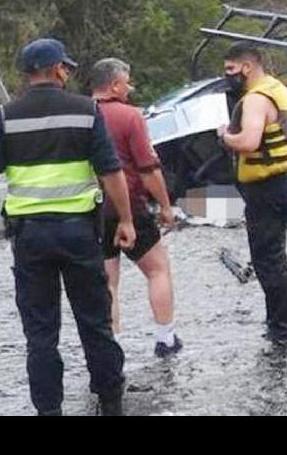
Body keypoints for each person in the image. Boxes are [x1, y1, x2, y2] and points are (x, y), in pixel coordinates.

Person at [0, 38, 136, 416]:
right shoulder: (87, 111)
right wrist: (125, 219)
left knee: (40, 333)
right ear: (58, 69)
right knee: (95, 321)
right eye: (66, 67)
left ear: (28, 74)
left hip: (30, 238)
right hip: (79, 234)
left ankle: (49, 410)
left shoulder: (5, 117)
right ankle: (110, 401)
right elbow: (111, 173)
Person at [90, 58, 182, 357]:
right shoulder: (130, 117)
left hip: (91, 208)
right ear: (115, 85)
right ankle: (165, 339)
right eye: (127, 82)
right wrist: (166, 206)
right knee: (158, 270)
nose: (129, 88)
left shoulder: (80, 115)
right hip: (129, 205)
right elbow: (147, 169)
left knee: (108, 280)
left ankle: (109, 345)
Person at [217, 42, 287, 344]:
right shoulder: (275, 87)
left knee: (267, 259)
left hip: (266, 189)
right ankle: (281, 324)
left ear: (247, 67)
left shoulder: (255, 99)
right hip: (280, 184)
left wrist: (225, 136)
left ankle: (282, 331)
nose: (228, 76)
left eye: (230, 69)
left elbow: (249, 142)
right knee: (275, 256)